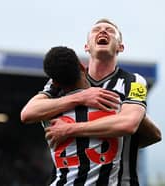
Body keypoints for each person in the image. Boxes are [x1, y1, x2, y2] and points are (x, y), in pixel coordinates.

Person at [21, 18, 161, 186]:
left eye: (110, 30)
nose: (103, 31)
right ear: (86, 47)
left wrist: (71, 129)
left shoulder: (134, 82)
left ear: (120, 47)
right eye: (97, 30)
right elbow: (28, 113)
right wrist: (81, 97)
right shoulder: (67, 79)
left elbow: (140, 128)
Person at [41, 46, 123, 185]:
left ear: (54, 82)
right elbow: (154, 135)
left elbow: (28, 113)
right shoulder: (114, 103)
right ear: (82, 66)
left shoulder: (47, 114)